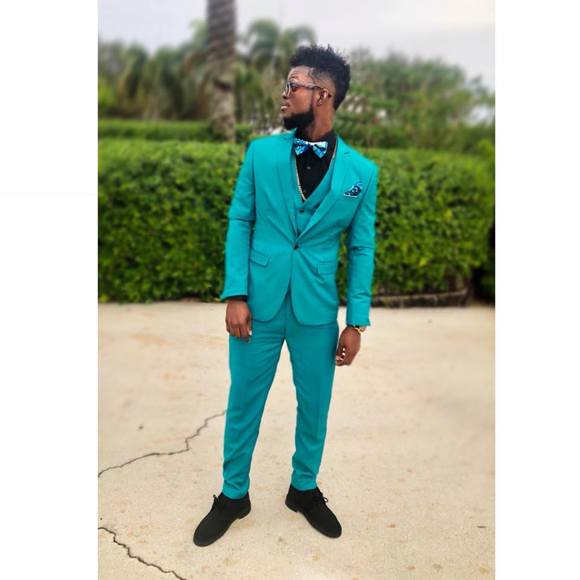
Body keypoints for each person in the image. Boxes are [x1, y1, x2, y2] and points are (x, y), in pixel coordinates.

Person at [193, 44, 379, 547]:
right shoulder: (261, 153)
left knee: (315, 405)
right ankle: (234, 495)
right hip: (258, 302)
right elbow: (241, 220)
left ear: (322, 95)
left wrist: (356, 321)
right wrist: (236, 293)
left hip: (316, 309)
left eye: (292, 85)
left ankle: (304, 488)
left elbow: (361, 248)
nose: (283, 93)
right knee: (244, 400)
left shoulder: (362, 173)